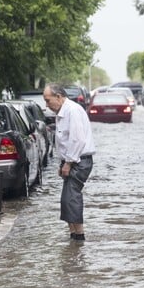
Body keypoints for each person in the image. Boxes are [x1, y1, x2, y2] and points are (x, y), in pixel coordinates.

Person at [43, 83, 96, 241]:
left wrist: (68, 163)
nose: (46, 105)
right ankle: (74, 236)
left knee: (71, 198)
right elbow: (64, 141)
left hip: (79, 161)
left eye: (48, 100)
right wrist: (63, 162)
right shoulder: (62, 111)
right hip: (72, 160)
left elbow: (77, 140)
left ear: (58, 97)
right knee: (66, 199)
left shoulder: (72, 110)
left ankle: (79, 237)